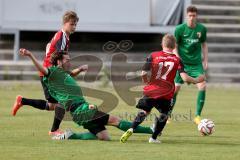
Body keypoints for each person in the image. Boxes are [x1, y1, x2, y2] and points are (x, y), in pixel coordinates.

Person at [17, 48, 154, 141]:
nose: (69, 61)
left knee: (104, 136)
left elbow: (71, 74)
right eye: (67, 60)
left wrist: (81, 69)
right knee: (115, 120)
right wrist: (30, 55)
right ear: (59, 62)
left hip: (79, 111)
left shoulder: (62, 74)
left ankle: (71, 136)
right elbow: (43, 70)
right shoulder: (53, 72)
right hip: (81, 109)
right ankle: (151, 130)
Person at [120, 34, 205, 143]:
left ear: (162, 44)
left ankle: (132, 128)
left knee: (145, 111)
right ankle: (153, 138)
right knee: (164, 115)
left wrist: (146, 82)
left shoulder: (153, 55)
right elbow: (185, 78)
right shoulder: (177, 60)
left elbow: (143, 73)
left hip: (151, 90)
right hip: (166, 93)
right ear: (174, 46)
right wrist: (198, 80)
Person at [11, 11, 79, 135]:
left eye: (75, 24)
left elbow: (49, 47)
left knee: (52, 105)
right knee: (63, 101)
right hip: (50, 74)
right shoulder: (62, 37)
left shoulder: (61, 36)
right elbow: (59, 58)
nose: (74, 27)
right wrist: (64, 74)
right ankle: (54, 130)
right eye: (71, 24)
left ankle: (22, 101)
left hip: (49, 73)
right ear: (64, 23)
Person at [170, 6, 208, 124]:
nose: (191, 18)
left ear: (196, 16)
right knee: (175, 88)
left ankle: (197, 116)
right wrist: (177, 57)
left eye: (194, 16)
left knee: (202, 85)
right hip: (182, 63)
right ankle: (168, 114)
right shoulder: (180, 29)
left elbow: (204, 44)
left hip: (196, 64)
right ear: (187, 16)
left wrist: (205, 59)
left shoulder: (201, 29)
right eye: (190, 16)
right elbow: (174, 46)